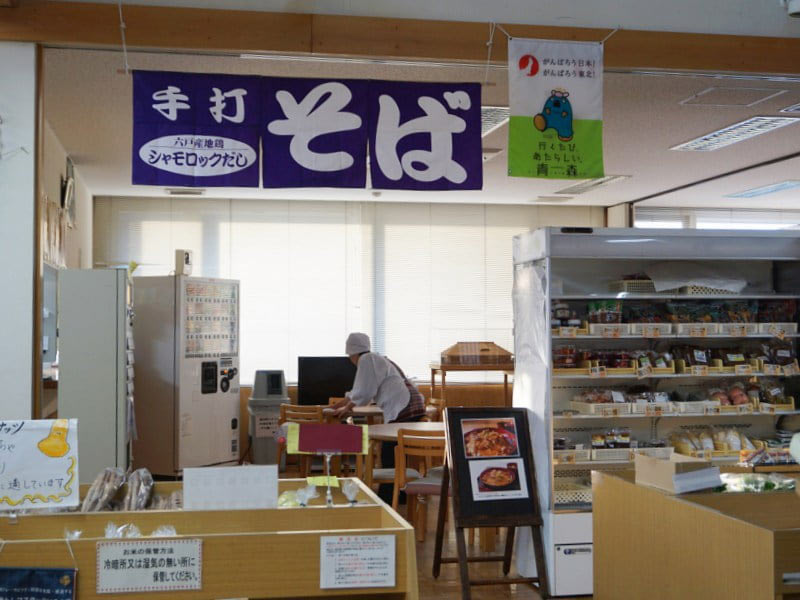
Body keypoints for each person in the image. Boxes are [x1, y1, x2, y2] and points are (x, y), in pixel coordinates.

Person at [331, 332, 426, 503]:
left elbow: (364, 391)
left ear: (351, 353)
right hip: (412, 402)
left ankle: (389, 495)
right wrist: (338, 405)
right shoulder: (377, 358)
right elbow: (357, 392)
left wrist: (346, 408)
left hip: (403, 405)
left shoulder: (366, 360)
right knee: (397, 448)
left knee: (390, 448)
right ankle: (401, 493)